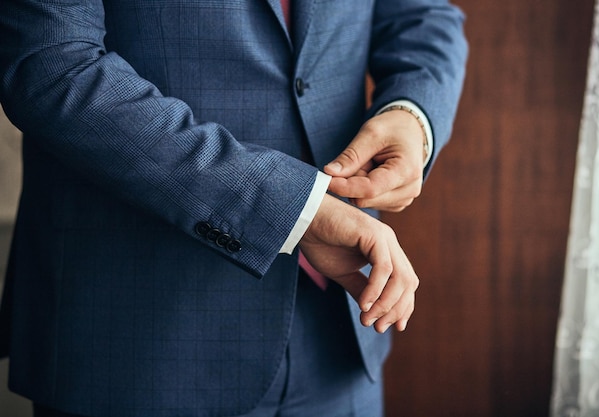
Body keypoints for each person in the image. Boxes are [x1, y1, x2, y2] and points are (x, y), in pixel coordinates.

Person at [0, 1, 467, 416]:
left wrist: (413, 116)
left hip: (341, 333)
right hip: (137, 345)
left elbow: (421, 15)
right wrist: (291, 209)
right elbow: (53, 66)